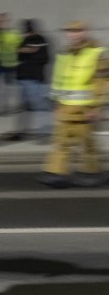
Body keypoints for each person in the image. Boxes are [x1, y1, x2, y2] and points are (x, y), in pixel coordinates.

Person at [38, 20, 108, 188]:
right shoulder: (64, 54)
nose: (72, 34)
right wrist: (55, 102)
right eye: (69, 31)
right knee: (60, 141)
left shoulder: (96, 53)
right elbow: (58, 80)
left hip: (84, 109)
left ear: (84, 32)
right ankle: (57, 172)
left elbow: (101, 82)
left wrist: (96, 106)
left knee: (86, 143)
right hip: (64, 107)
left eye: (77, 31)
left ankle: (91, 172)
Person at [9, 18, 51, 140]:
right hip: (23, 78)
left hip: (34, 79)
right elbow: (18, 54)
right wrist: (25, 51)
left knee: (38, 106)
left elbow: (43, 58)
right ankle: (22, 131)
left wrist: (28, 51)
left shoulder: (40, 39)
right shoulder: (25, 40)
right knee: (23, 107)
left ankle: (43, 131)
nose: (27, 33)